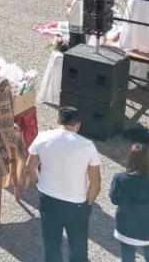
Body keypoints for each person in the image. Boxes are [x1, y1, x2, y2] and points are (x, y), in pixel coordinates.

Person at [26, 106, 102, 262]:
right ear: (78, 125)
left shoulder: (42, 137)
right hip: (76, 204)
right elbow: (95, 182)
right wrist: (88, 202)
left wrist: (39, 183)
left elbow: (31, 166)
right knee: (78, 247)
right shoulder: (87, 146)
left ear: (57, 121)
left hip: (48, 198)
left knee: (52, 245)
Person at [109, 143, 149, 262]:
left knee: (127, 257)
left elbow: (114, 200)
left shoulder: (120, 178)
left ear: (130, 159)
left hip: (125, 228)